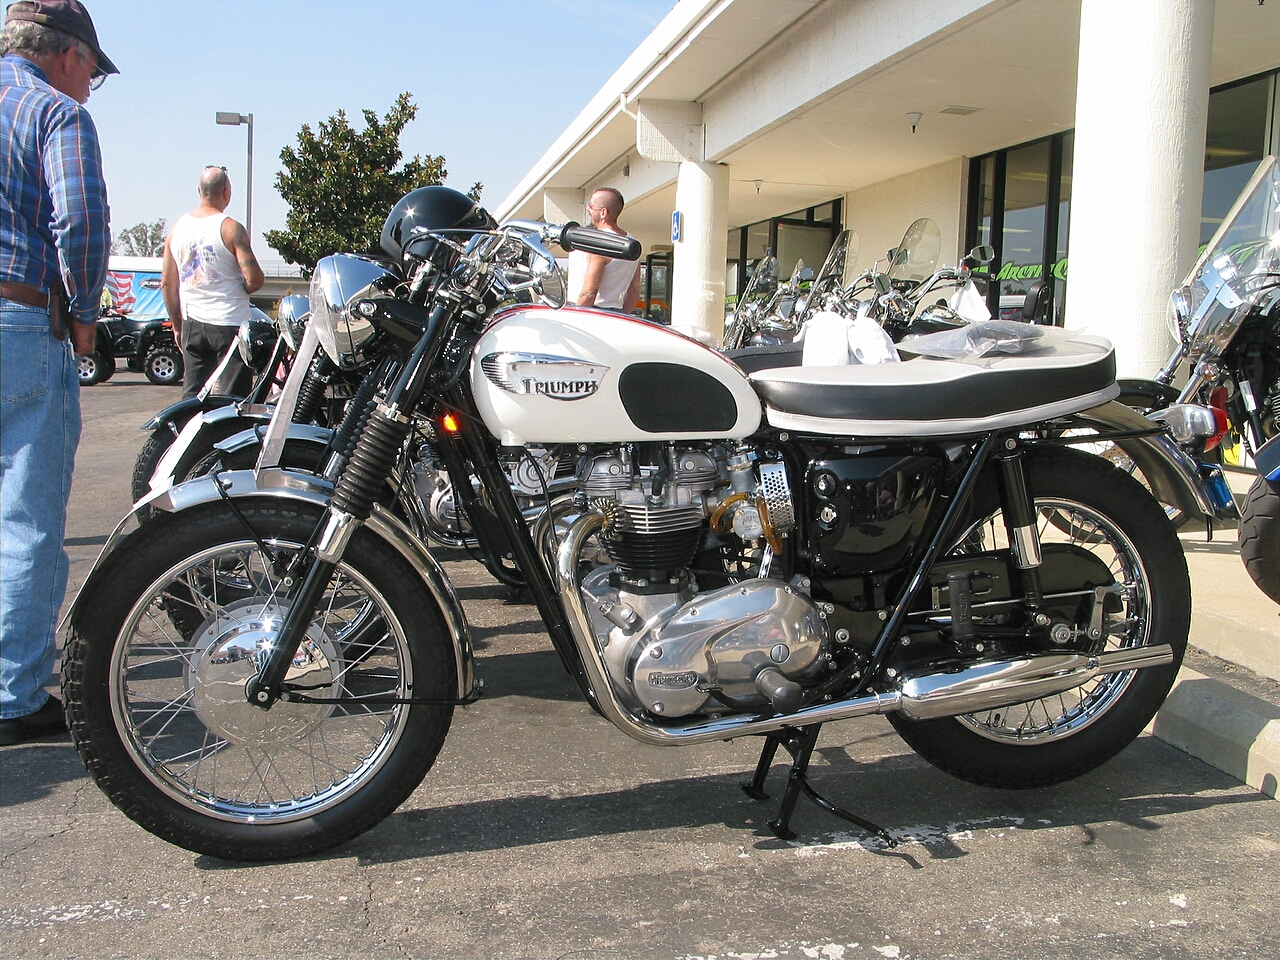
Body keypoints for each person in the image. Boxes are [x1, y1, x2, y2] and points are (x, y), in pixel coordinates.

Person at [0, 0, 117, 746]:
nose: (88, 87)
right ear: (69, 53)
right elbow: (80, 217)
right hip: (18, 319)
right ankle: (13, 697)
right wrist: (82, 315)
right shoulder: (54, 115)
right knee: (26, 516)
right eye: (92, 74)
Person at [162, 165, 264, 399]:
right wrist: (243, 288)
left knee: (193, 395)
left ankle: (188, 433)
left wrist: (177, 325)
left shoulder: (176, 230)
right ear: (227, 191)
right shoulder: (231, 228)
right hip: (229, 322)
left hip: (193, 323)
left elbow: (168, 285)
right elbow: (254, 279)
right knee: (232, 398)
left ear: (199, 190)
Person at [570, 187, 641, 311]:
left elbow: (589, 292)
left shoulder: (601, 243)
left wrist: (576, 315)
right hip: (616, 313)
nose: (588, 209)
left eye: (591, 206)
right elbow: (634, 292)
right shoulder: (631, 243)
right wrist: (622, 317)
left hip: (595, 312)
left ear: (603, 212)